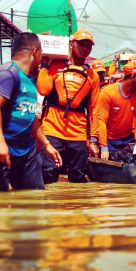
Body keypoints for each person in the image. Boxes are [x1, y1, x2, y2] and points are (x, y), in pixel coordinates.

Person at [0, 32, 62, 192]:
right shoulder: (8, 72)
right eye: (41, 52)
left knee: (35, 195)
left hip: (23, 146)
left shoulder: (29, 80)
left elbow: (30, 118)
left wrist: (47, 144)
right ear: (35, 52)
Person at [37, 30, 100, 183]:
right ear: (71, 45)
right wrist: (44, 63)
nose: (84, 48)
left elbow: (94, 110)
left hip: (77, 130)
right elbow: (43, 89)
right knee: (48, 174)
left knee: (78, 177)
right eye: (80, 44)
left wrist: (93, 140)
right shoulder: (55, 66)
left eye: (88, 46)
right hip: (52, 126)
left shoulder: (93, 75)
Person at [98, 61, 136, 159]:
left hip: (127, 140)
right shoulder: (108, 93)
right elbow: (102, 121)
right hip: (110, 140)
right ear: (133, 77)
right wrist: (104, 147)